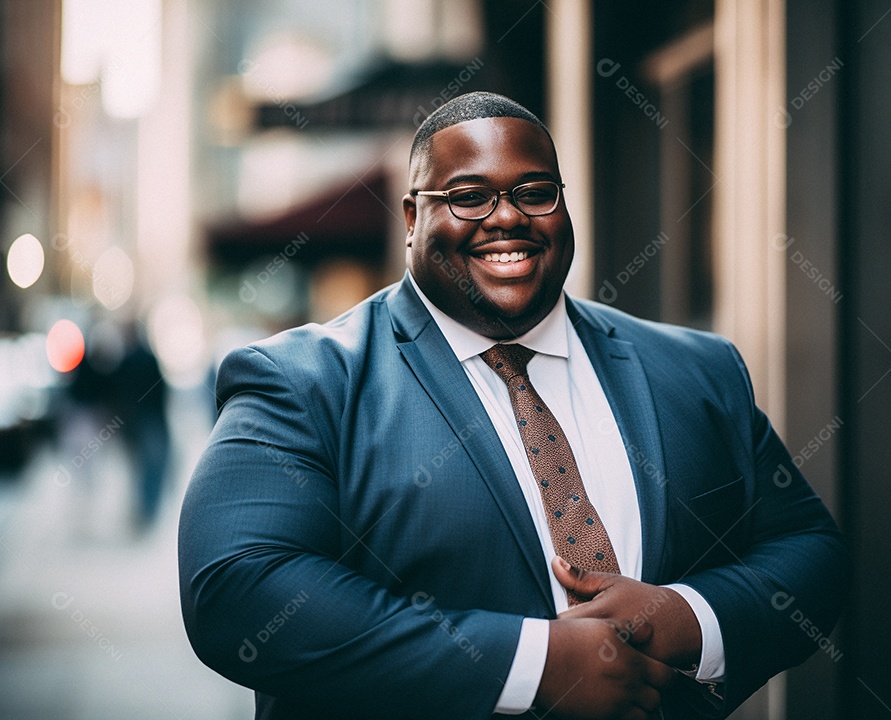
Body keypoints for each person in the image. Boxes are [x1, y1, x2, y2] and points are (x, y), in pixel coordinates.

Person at [179, 91, 850, 720]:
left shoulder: (697, 371)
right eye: (469, 196)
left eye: (535, 192)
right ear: (412, 217)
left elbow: (809, 550)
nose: (507, 217)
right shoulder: (304, 383)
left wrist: (685, 619)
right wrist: (536, 666)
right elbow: (239, 587)